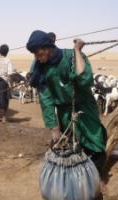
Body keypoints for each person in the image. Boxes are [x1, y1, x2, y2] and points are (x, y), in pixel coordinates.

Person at [26, 30, 107, 172]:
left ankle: (95, 182)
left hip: (85, 109)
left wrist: (77, 50)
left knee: (95, 144)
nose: (37, 58)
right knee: (70, 147)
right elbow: (46, 101)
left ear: (48, 49)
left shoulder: (71, 56)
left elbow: (85, 80)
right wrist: (54, 129)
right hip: (64, 113)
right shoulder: (41, 70)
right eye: (35, 55)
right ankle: (79, 183)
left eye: (39, 54)